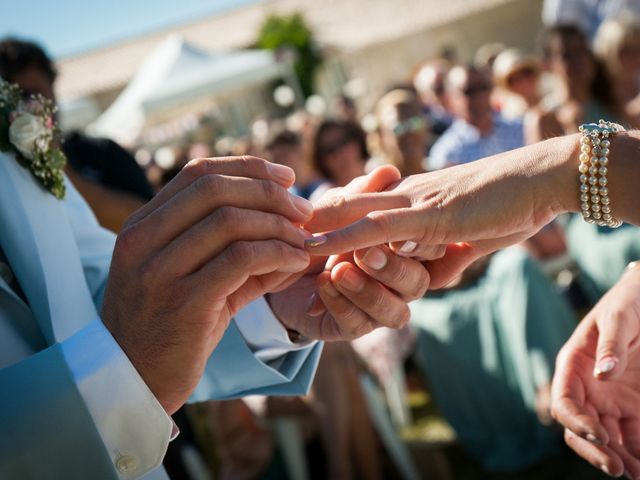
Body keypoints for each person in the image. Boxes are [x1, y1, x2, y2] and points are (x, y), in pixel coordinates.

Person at [0, 81, 430, 480]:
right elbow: (121, 347)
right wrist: (117, 376)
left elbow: (93, 298)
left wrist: (268, 304)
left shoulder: (9, 118)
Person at [305, 126, 640, 478]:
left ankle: (544, 386)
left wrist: (554, 176)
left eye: (411, 123)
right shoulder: (336, 196)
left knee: (517, 268)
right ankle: (512, 417)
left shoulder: (437, 166)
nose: (341, 151)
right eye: (330, 149)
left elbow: (476, 227)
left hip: (478, 269)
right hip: (429, 296)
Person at [0, 37, 154, 233]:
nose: (22, 109)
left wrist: (56, 167)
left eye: (30, 94)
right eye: (11, 100)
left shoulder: (100, 151)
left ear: (53, 88)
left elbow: (149, 224)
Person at [428, 64, 524, 170]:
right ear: (451, 98)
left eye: (483, 87)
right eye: (469, 91)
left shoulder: (519, 129)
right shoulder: (447, 152)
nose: (479, 96)